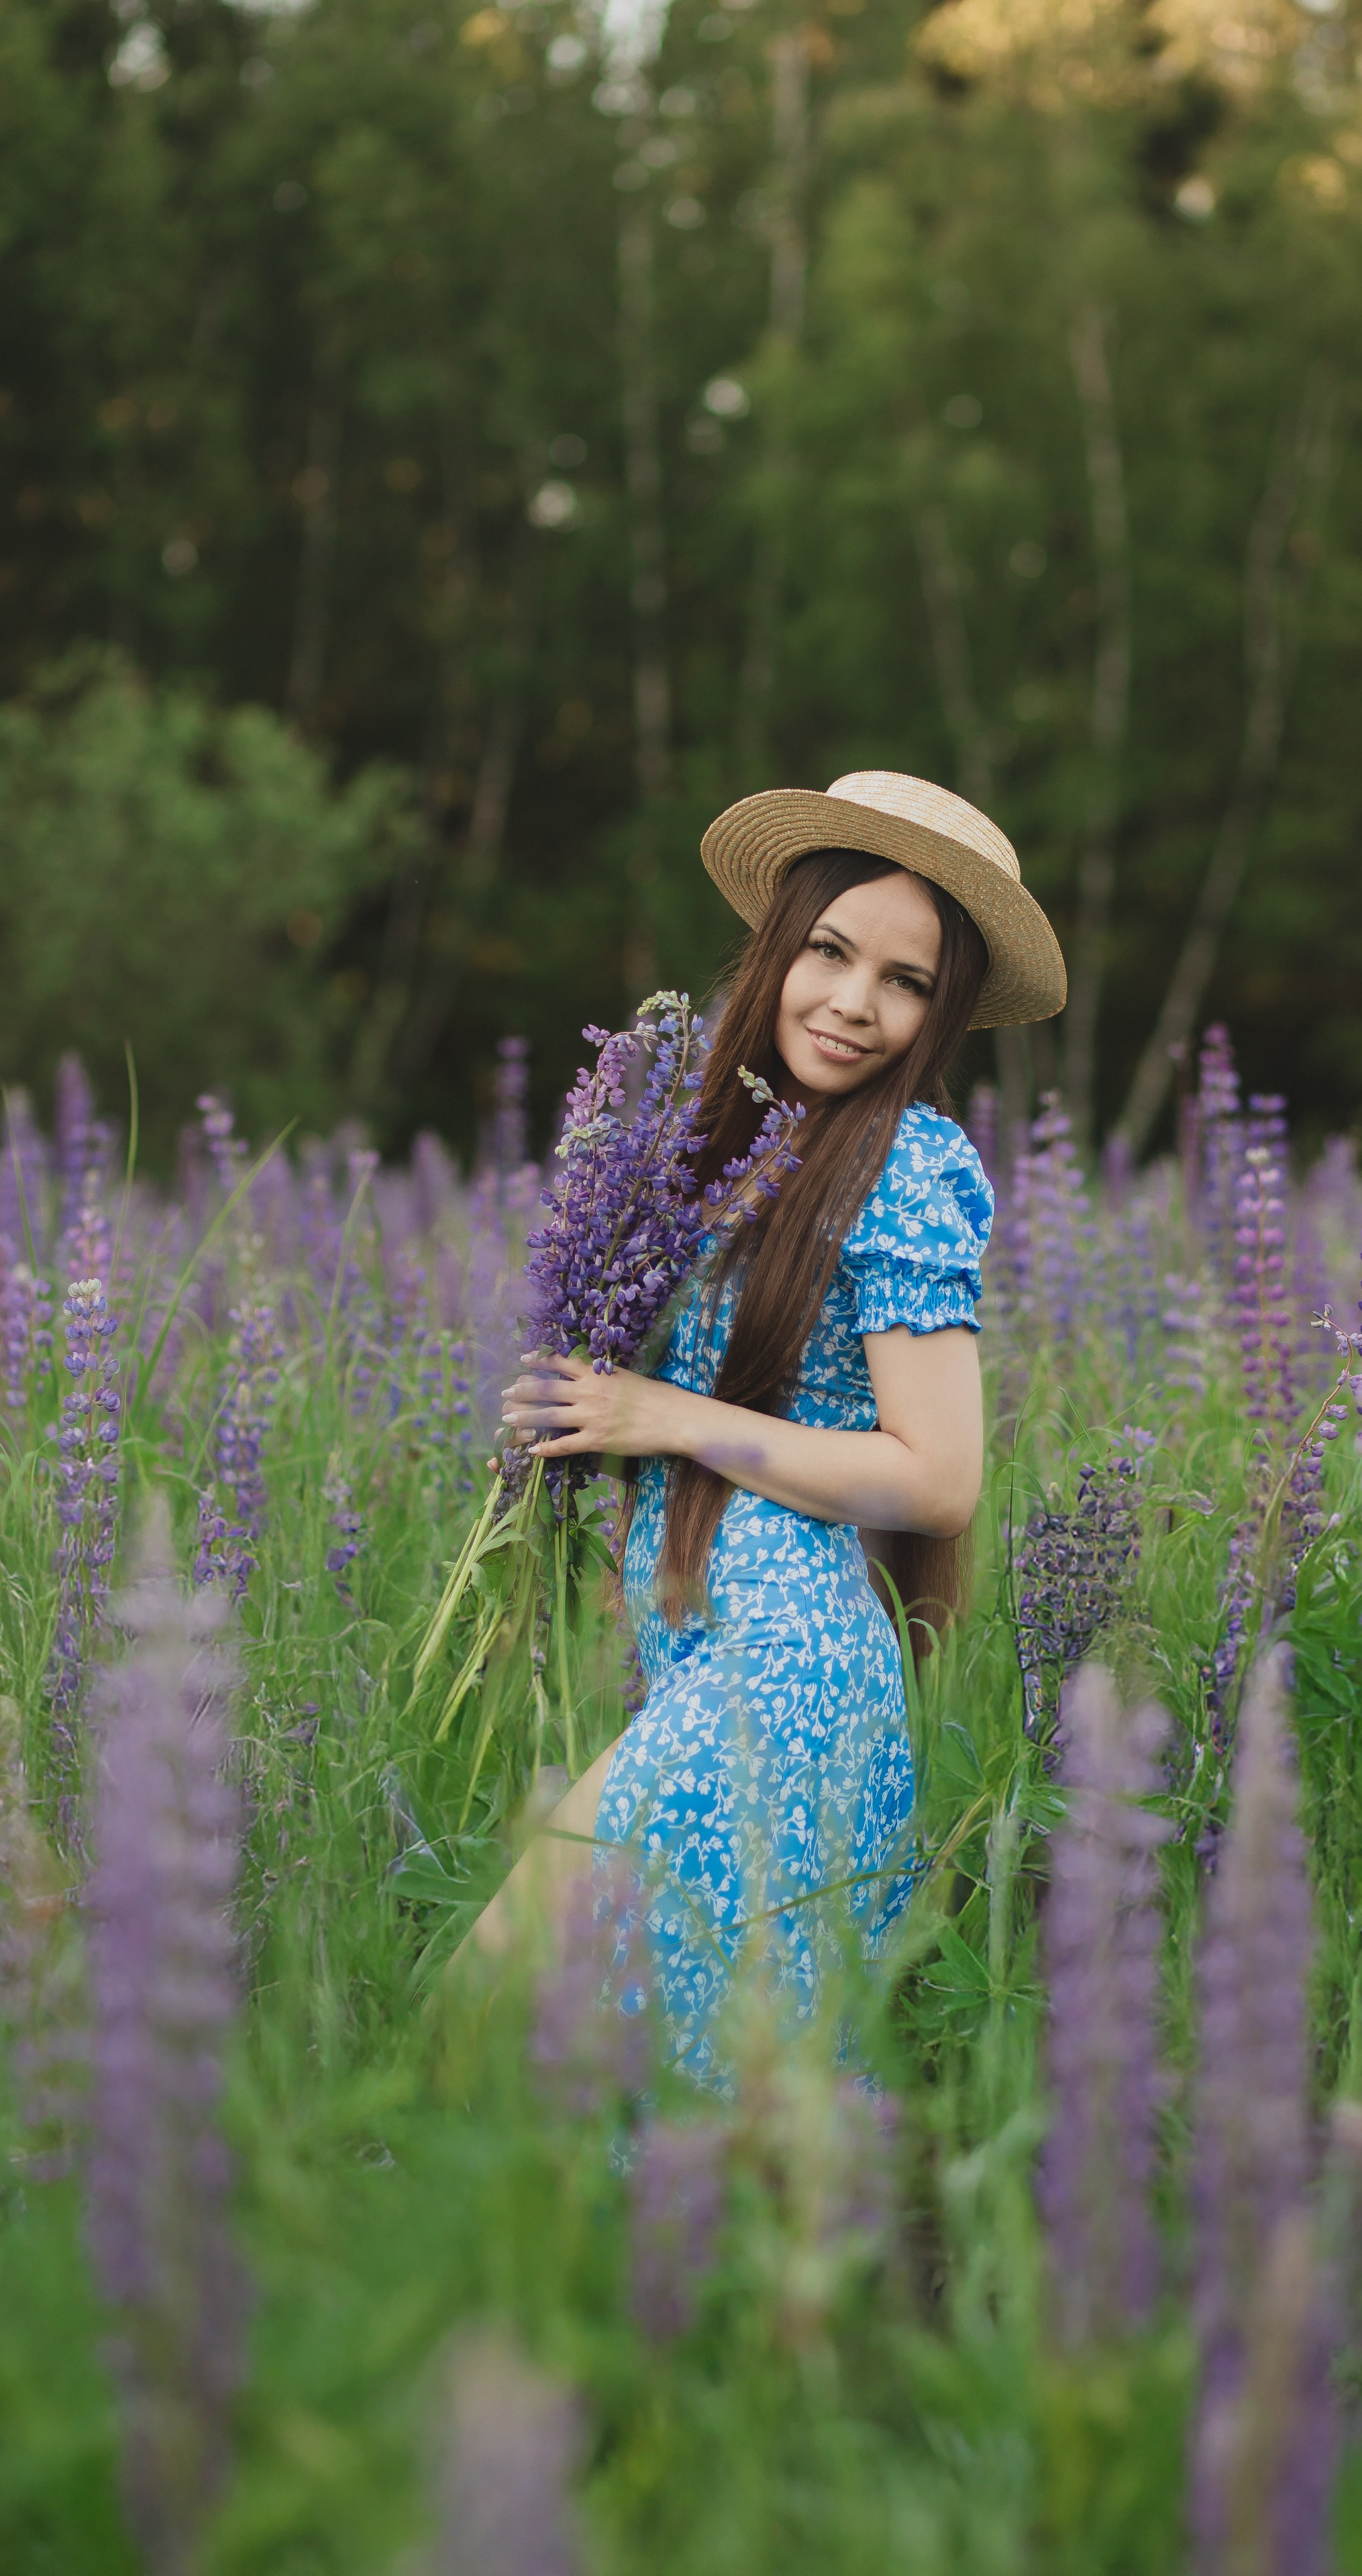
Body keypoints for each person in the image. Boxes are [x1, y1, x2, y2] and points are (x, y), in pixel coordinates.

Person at [462, 770, 1065, 2078]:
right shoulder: (715, 1142)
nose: (852, 1003)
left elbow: (939, 1479)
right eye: (829, 952)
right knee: (642, 2077)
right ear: (775, 948)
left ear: (939, 1013)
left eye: (904, 982)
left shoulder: (906, 1166)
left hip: (791, 1676)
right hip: (708, 1663)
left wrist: (661, 1413)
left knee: (505, 2023)